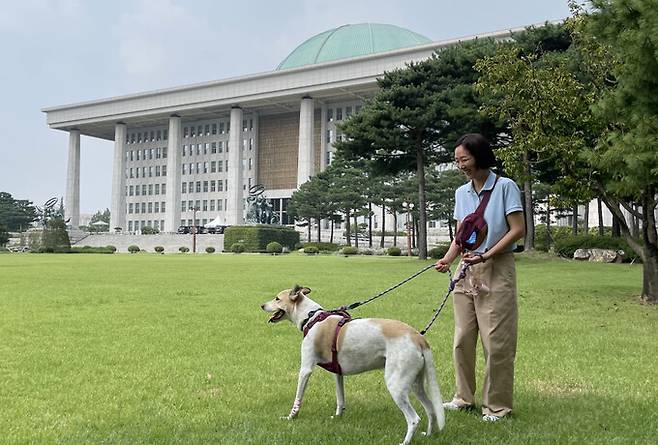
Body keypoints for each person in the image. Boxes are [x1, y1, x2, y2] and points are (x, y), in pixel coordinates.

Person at [435, 133, 525, 422]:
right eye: (457, 160)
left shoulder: (505, 187)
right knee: (462, 338)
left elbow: (517, 230)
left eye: (465, 159)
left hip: (496, 267)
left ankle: (497, 407)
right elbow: (462, 235)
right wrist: (448, 258)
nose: (461, 165)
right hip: (466, 268)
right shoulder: (462, 193)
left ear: (480, 157)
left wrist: (486, 255)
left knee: (496, 340)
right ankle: (463, 398)